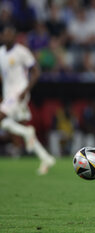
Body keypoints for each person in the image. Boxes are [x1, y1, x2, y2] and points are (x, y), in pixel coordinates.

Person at [0, 25, 55, 175]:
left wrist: (26, 90)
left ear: (14, 37)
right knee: (12, 126)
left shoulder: (21, 52)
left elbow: (36, 70)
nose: (7, 37)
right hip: (8, 95)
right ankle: (46, 158)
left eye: (10, 35)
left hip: (19, 93)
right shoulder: (1, 54)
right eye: (4, 35)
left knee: (2, 120)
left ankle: (26, 132)